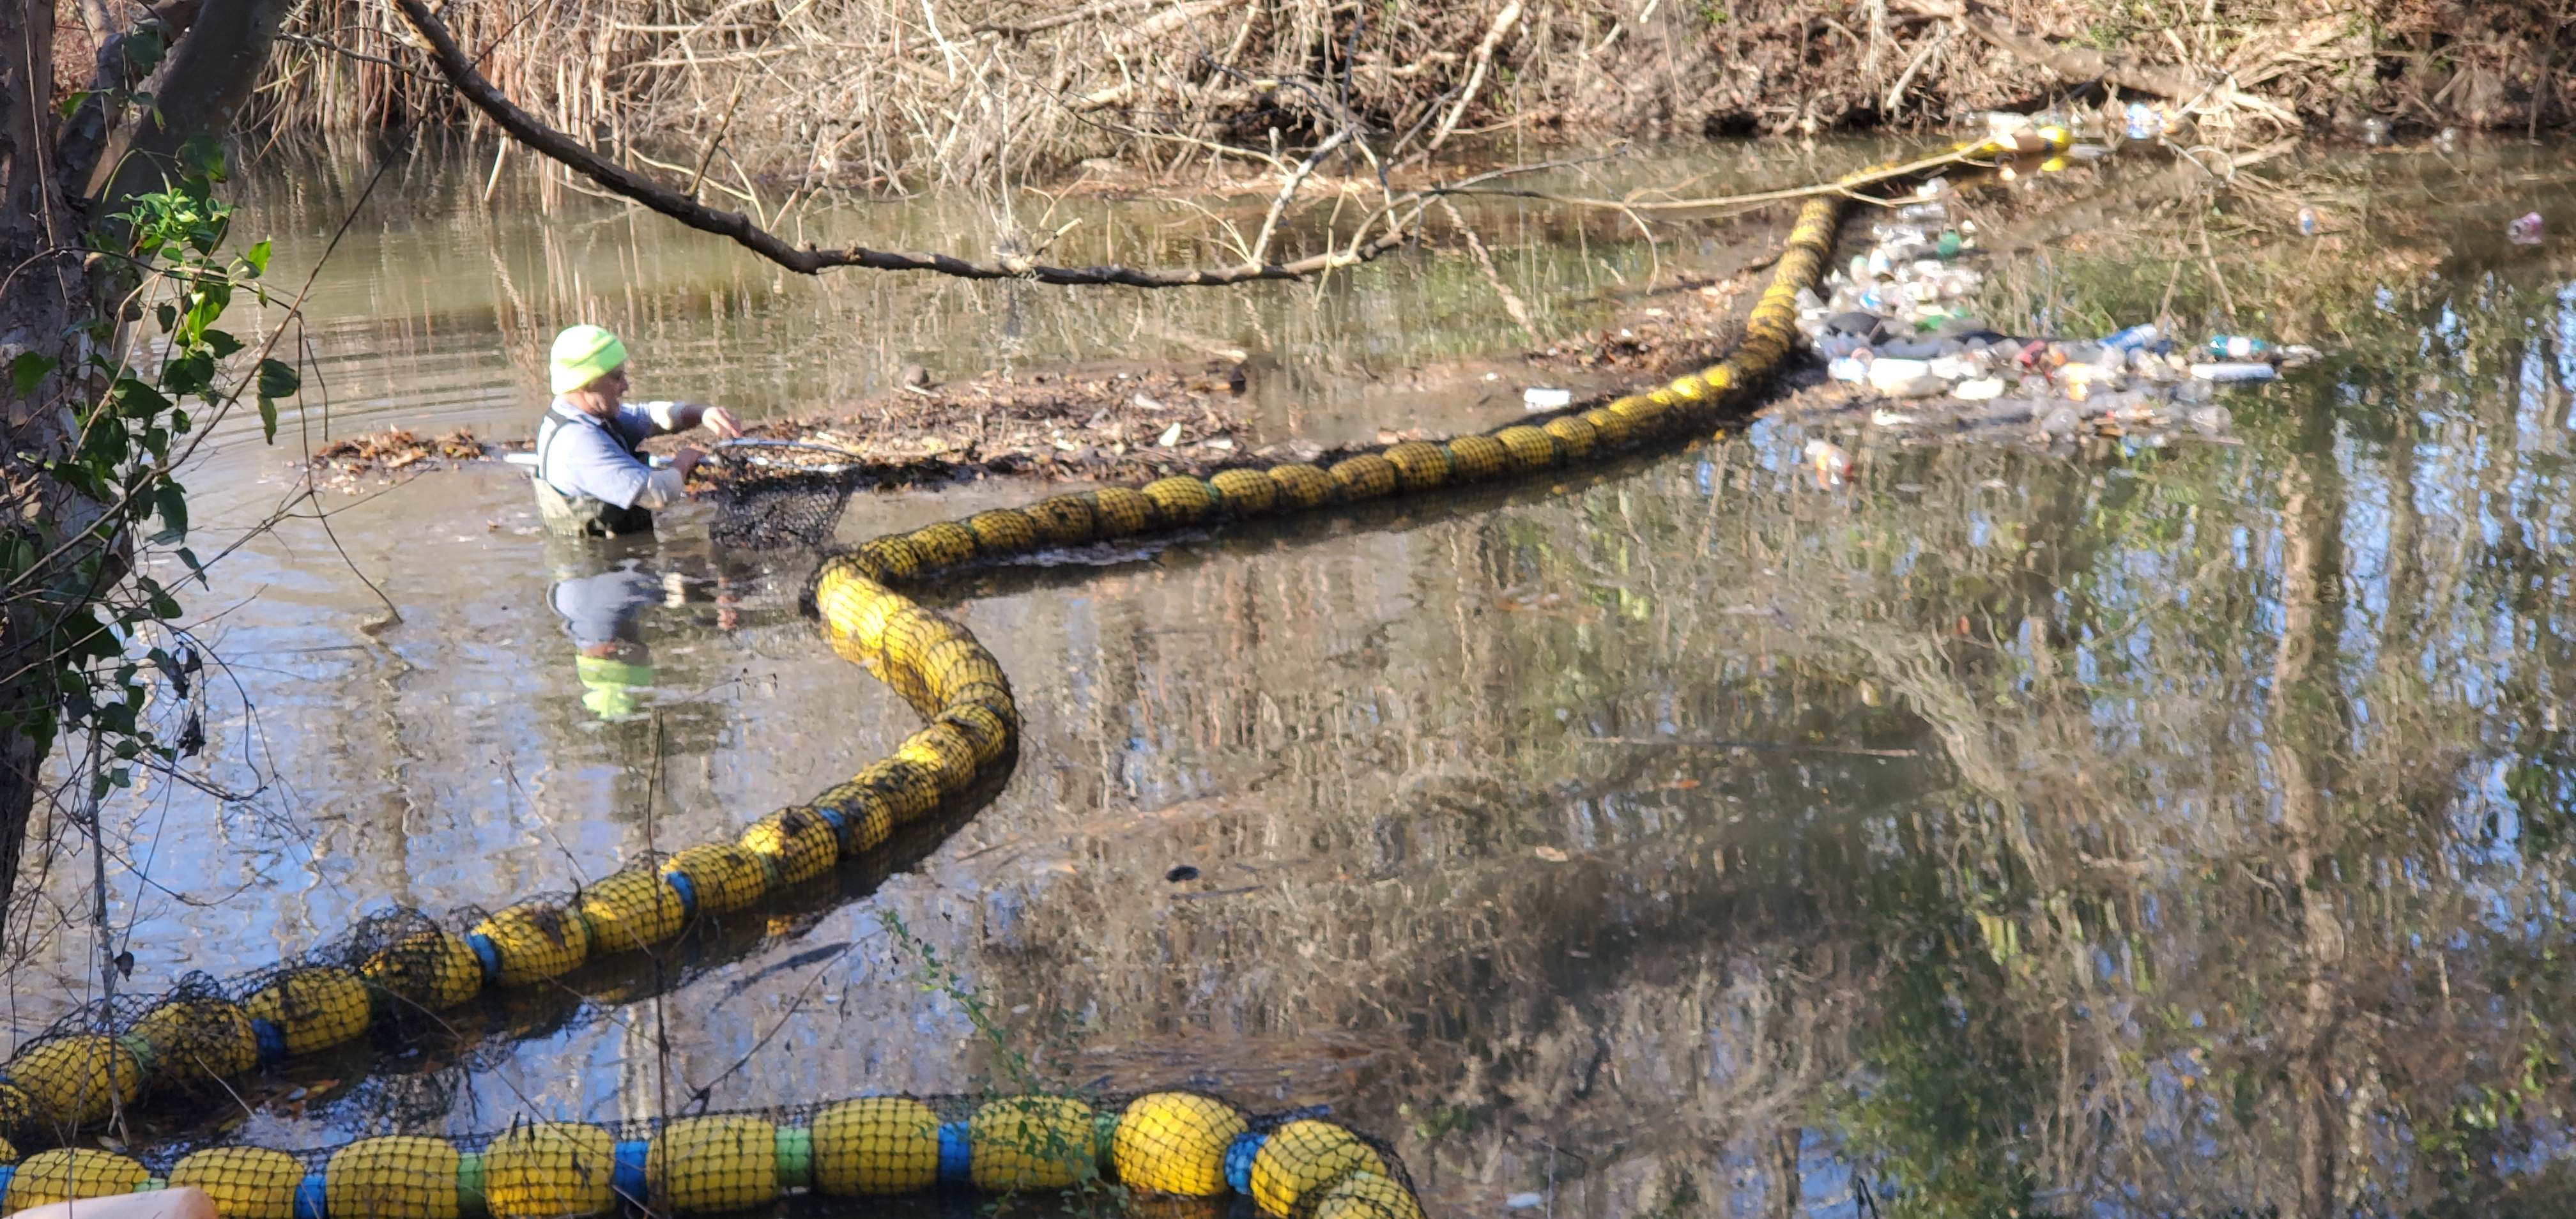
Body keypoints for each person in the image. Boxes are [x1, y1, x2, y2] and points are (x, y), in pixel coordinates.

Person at [533, 324, 744, 537]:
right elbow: (657, 492)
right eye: (617, 378)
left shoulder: (581, 415)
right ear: (586, 384)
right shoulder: (578, 444)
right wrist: (685, 461)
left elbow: (648, 416)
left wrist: (701, 413)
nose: (626, 386)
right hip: (604, 564)